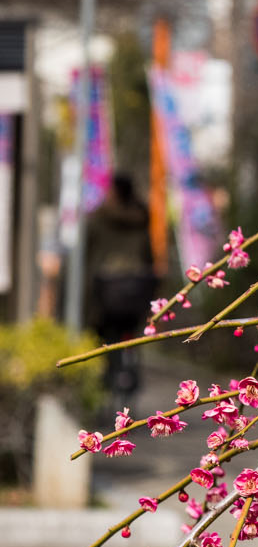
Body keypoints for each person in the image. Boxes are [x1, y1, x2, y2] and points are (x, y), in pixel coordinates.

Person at [84, 173, 157, 403]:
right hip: (135, 293)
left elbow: (86, 255)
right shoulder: (142, 220)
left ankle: (106, 385)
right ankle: (130, 377)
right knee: (131, 339)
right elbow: (149, 259)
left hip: (105, 293)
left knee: (104, 340)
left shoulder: (98, 218)